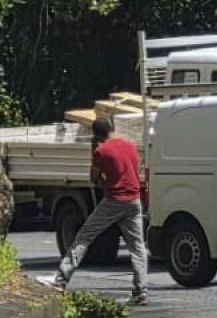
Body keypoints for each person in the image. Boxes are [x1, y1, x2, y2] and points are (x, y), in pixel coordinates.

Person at [40, 118, 149, 305]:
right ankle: (140, 293)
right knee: (137, 248)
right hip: (134, 200)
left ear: (95, 134)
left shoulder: (100, 151)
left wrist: (94, 152)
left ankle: (60, 280)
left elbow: (94, 178)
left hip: (113, 201)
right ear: (112, 129)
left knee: (83, 238)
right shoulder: (130, 146)